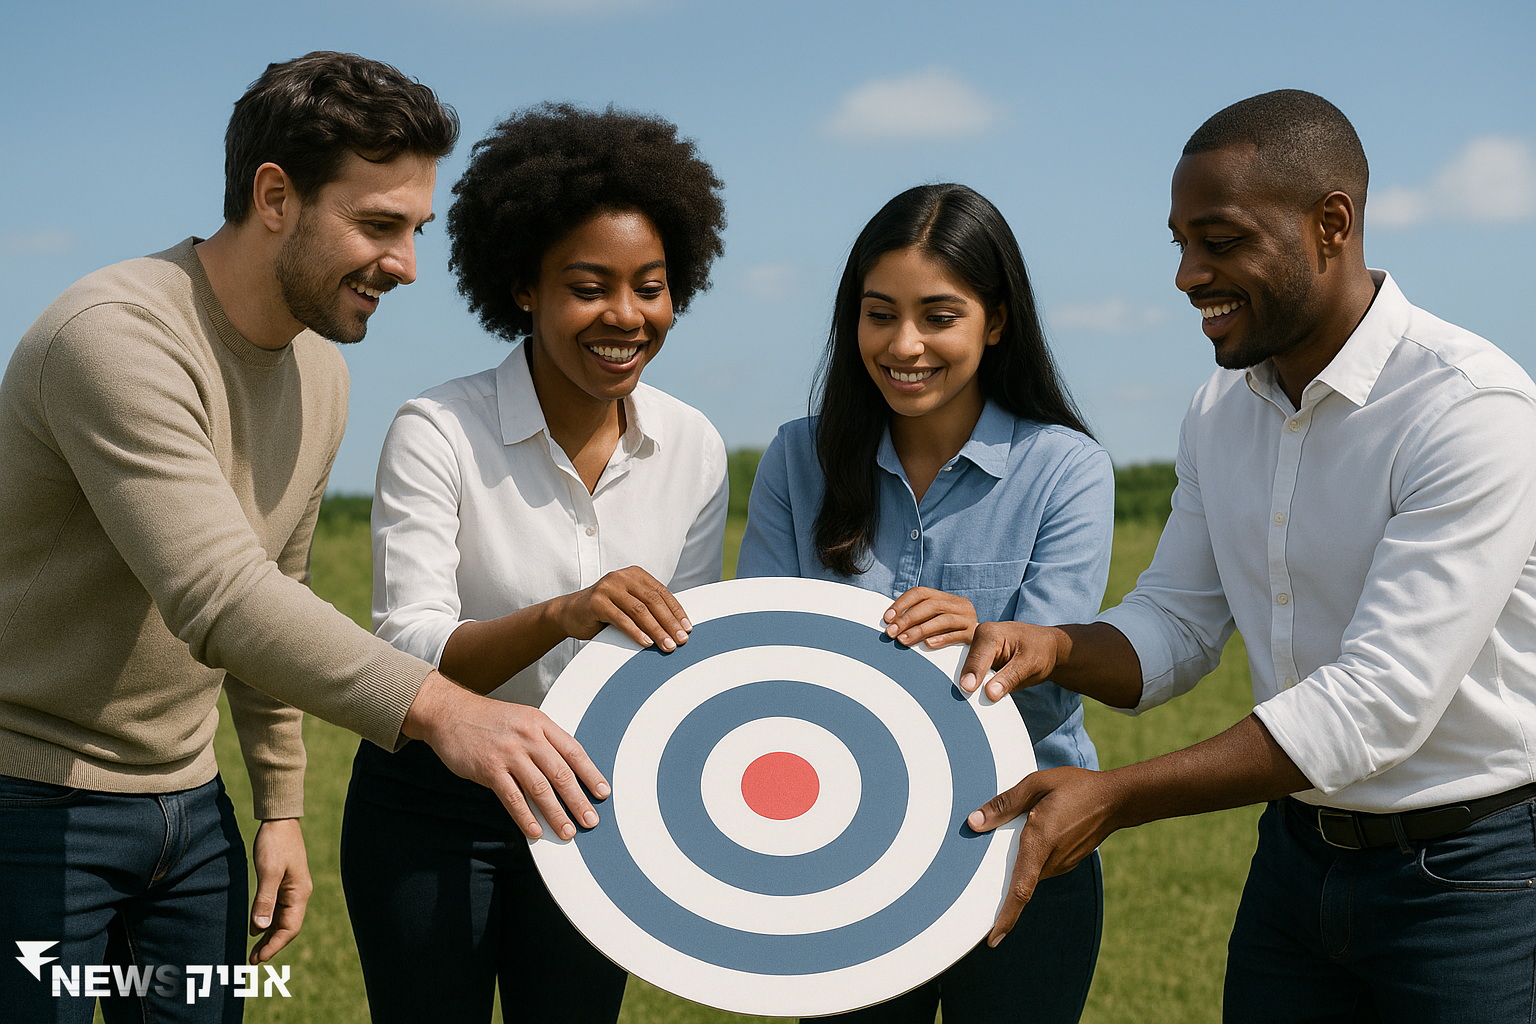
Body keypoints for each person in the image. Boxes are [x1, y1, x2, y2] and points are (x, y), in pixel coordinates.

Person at [0, 54, 614, 1024]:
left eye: (414, 229)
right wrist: (443, 707)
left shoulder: (320, 375)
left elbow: (279, 588)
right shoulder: (113, 338)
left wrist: (277, 805)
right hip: (31, 804)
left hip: (192, 815)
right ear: (275, 196)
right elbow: (222, 596)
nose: (408, 264)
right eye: (379, 225)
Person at [961, 90, 1536, 1022]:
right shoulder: (1217, 410)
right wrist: (1055, 647)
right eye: (1180, 242)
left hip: (1470, 881)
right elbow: (1180, 619)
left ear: (1331, 224)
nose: (1188, 275)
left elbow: (1377, 703)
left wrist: (1118, 796)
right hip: (1294, 864)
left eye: (1220, 241)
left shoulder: (1470, 409)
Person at [339, 103, 729, 1024]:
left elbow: (688, 653)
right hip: (432, 801)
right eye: (589, 287)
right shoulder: (437, 430)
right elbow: (408, 649)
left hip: (590, 805)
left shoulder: (695, 445)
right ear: (522, 285)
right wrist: (563, 613)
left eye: (652, 286)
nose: (626, 317)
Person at [738, 183, 1113, 1024]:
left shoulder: (1067, 468)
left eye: (939, 316)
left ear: (998, 319)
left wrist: (990, 640)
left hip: (1023, 843)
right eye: (879, 314)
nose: (904, 344)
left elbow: (1052, 685)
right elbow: (764, 666)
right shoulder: (795, 460)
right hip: (839, 847)